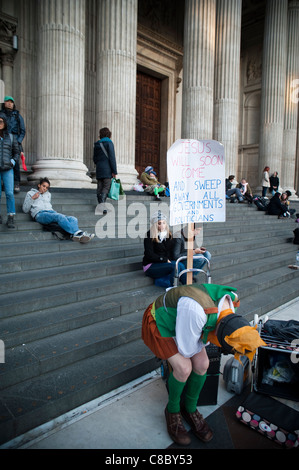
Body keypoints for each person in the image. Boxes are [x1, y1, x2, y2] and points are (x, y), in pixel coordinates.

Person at [141, 283, 266, 446]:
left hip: (184, 319)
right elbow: (187, 350)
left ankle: (189, 408)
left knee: (203, 364)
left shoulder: (231, 303)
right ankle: (172, 410)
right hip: (161, 319)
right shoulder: (196, 312)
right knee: (183, 368)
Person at [22, 177, 94, 242]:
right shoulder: (30, 193)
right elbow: (25, 209)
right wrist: (32, 198)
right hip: (39, 214)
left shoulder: (48, 194)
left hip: (51, 212)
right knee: (59, 217)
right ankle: (78, 233)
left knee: (73, 219)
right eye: (43, 186)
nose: (45, 189)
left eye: (47, 187)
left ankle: (74, 235)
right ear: (39, 185)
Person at [143, 211, 184, 287]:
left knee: (180, 264)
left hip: (163, 264)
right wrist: (163, 259)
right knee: (174, 266)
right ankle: (174, 288)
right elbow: (149, 254)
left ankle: (187, 285)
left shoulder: (168, 235)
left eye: (164, 223)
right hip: (151, 265)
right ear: (155, 225)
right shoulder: (149, 235)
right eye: (159, 223)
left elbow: (170, 251)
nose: (162, 226)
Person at [1, 96, 26, 193]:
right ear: (4, 103)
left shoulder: (18, 116)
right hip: (3, 141)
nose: (10, 103)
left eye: (11, 102)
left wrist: (18, 142)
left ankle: (16, 182)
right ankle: (3, 183)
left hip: (15, 141)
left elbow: (22, 131)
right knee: (2, 160)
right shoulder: (1, 114)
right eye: (8, 101)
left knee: (15, 163)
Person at [0, 114, 20, 228]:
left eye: (2, 121)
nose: (0, 123)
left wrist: (12, 161)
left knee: (9, 193)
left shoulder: (11, 137)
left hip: (7, 169)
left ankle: (11, 217)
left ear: (5, 123)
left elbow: (16, 152)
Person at [93, 127, 117, 213]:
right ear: (109, 134)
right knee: (106, 186)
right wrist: (114, 171)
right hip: (107, 169)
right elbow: (112, 158)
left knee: (100, 186)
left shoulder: (96, 144)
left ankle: (100, 205)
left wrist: (99, 164)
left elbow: (94, 159)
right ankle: (102, 205)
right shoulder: (109, 143)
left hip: (99, 168)